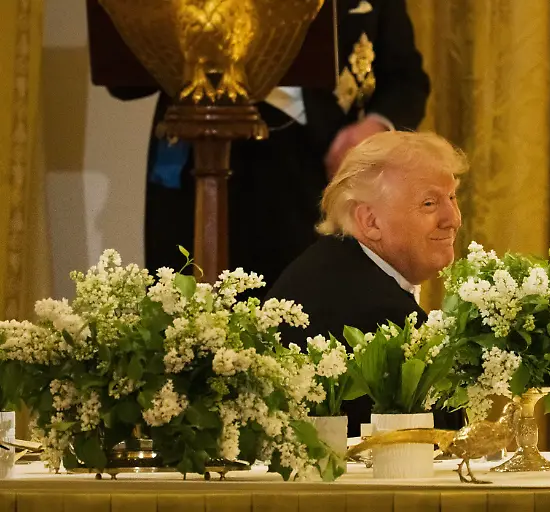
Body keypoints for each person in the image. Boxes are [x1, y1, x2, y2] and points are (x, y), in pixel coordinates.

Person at [108, 0, 430, 289]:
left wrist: (373, 128)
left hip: (314, 164)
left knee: (302, 325)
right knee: (190, 323)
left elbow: (406, 79)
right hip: (195, 152)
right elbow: (122, 79)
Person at [266, 131, 466, 435]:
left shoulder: (334, 266)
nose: (452, 218)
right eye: (429, 203)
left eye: (451, 197)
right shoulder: (377, 313)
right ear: (370, 221)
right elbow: (441, 443)